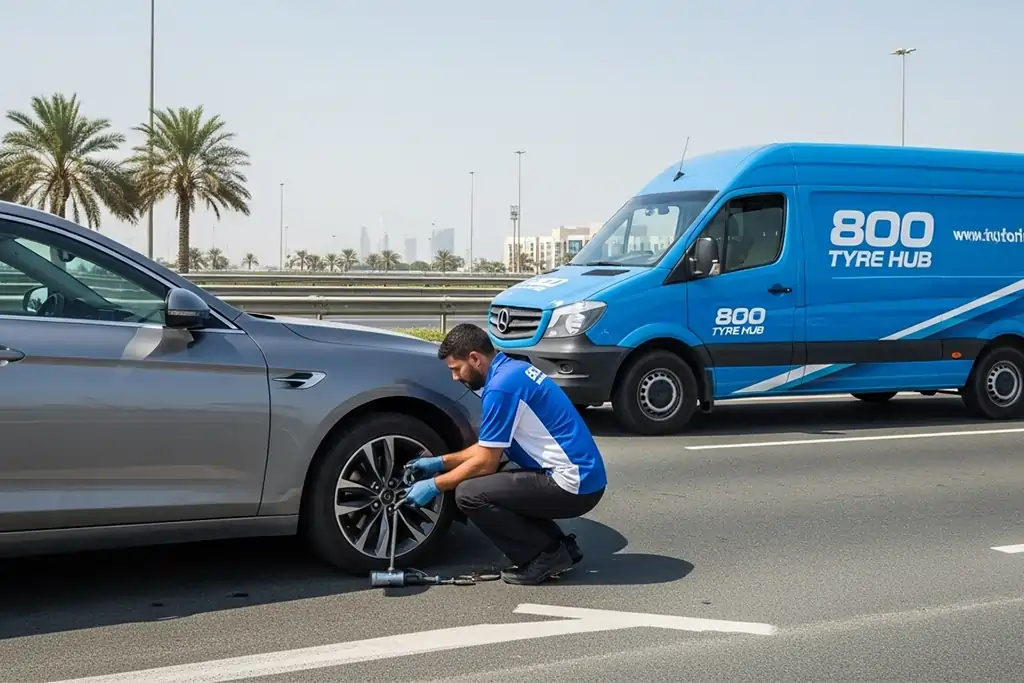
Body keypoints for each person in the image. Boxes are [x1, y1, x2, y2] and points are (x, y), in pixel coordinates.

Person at [403, 323, 607, 585]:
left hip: (573, 483)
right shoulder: (512, 370)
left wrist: (435, 485)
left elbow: (485, 463)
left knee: (468, 494)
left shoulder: (501, 388)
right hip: (581, 476)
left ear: (475, 358)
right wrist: (438, 463)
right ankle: (560, 547)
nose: (455, 377)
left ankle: (545, 555)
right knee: (499, 478)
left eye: (456, 369)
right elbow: (488, 449)